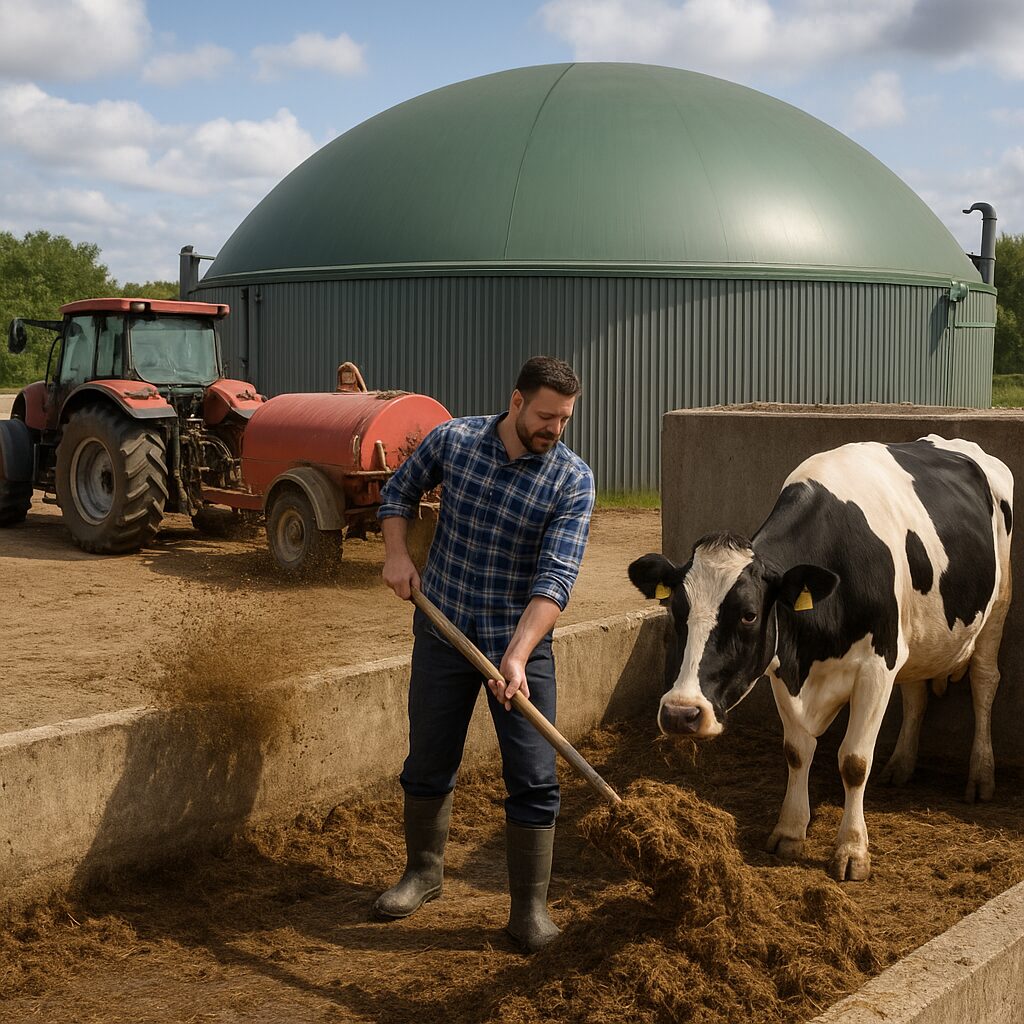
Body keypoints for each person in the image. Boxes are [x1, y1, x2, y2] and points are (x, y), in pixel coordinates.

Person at [373, 355, 595, 953]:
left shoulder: (572, 479)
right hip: (444, 629)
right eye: (547, 416)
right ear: (516, 401)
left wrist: (519, 655)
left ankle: (529, 909)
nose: (556, 429)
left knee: (533, 775)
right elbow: (397, 493)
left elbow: (556, 578)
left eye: (566, 420)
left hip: (518, 641)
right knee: (428, 758)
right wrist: (397, 554)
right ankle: (423, 872)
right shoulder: (456, 441)